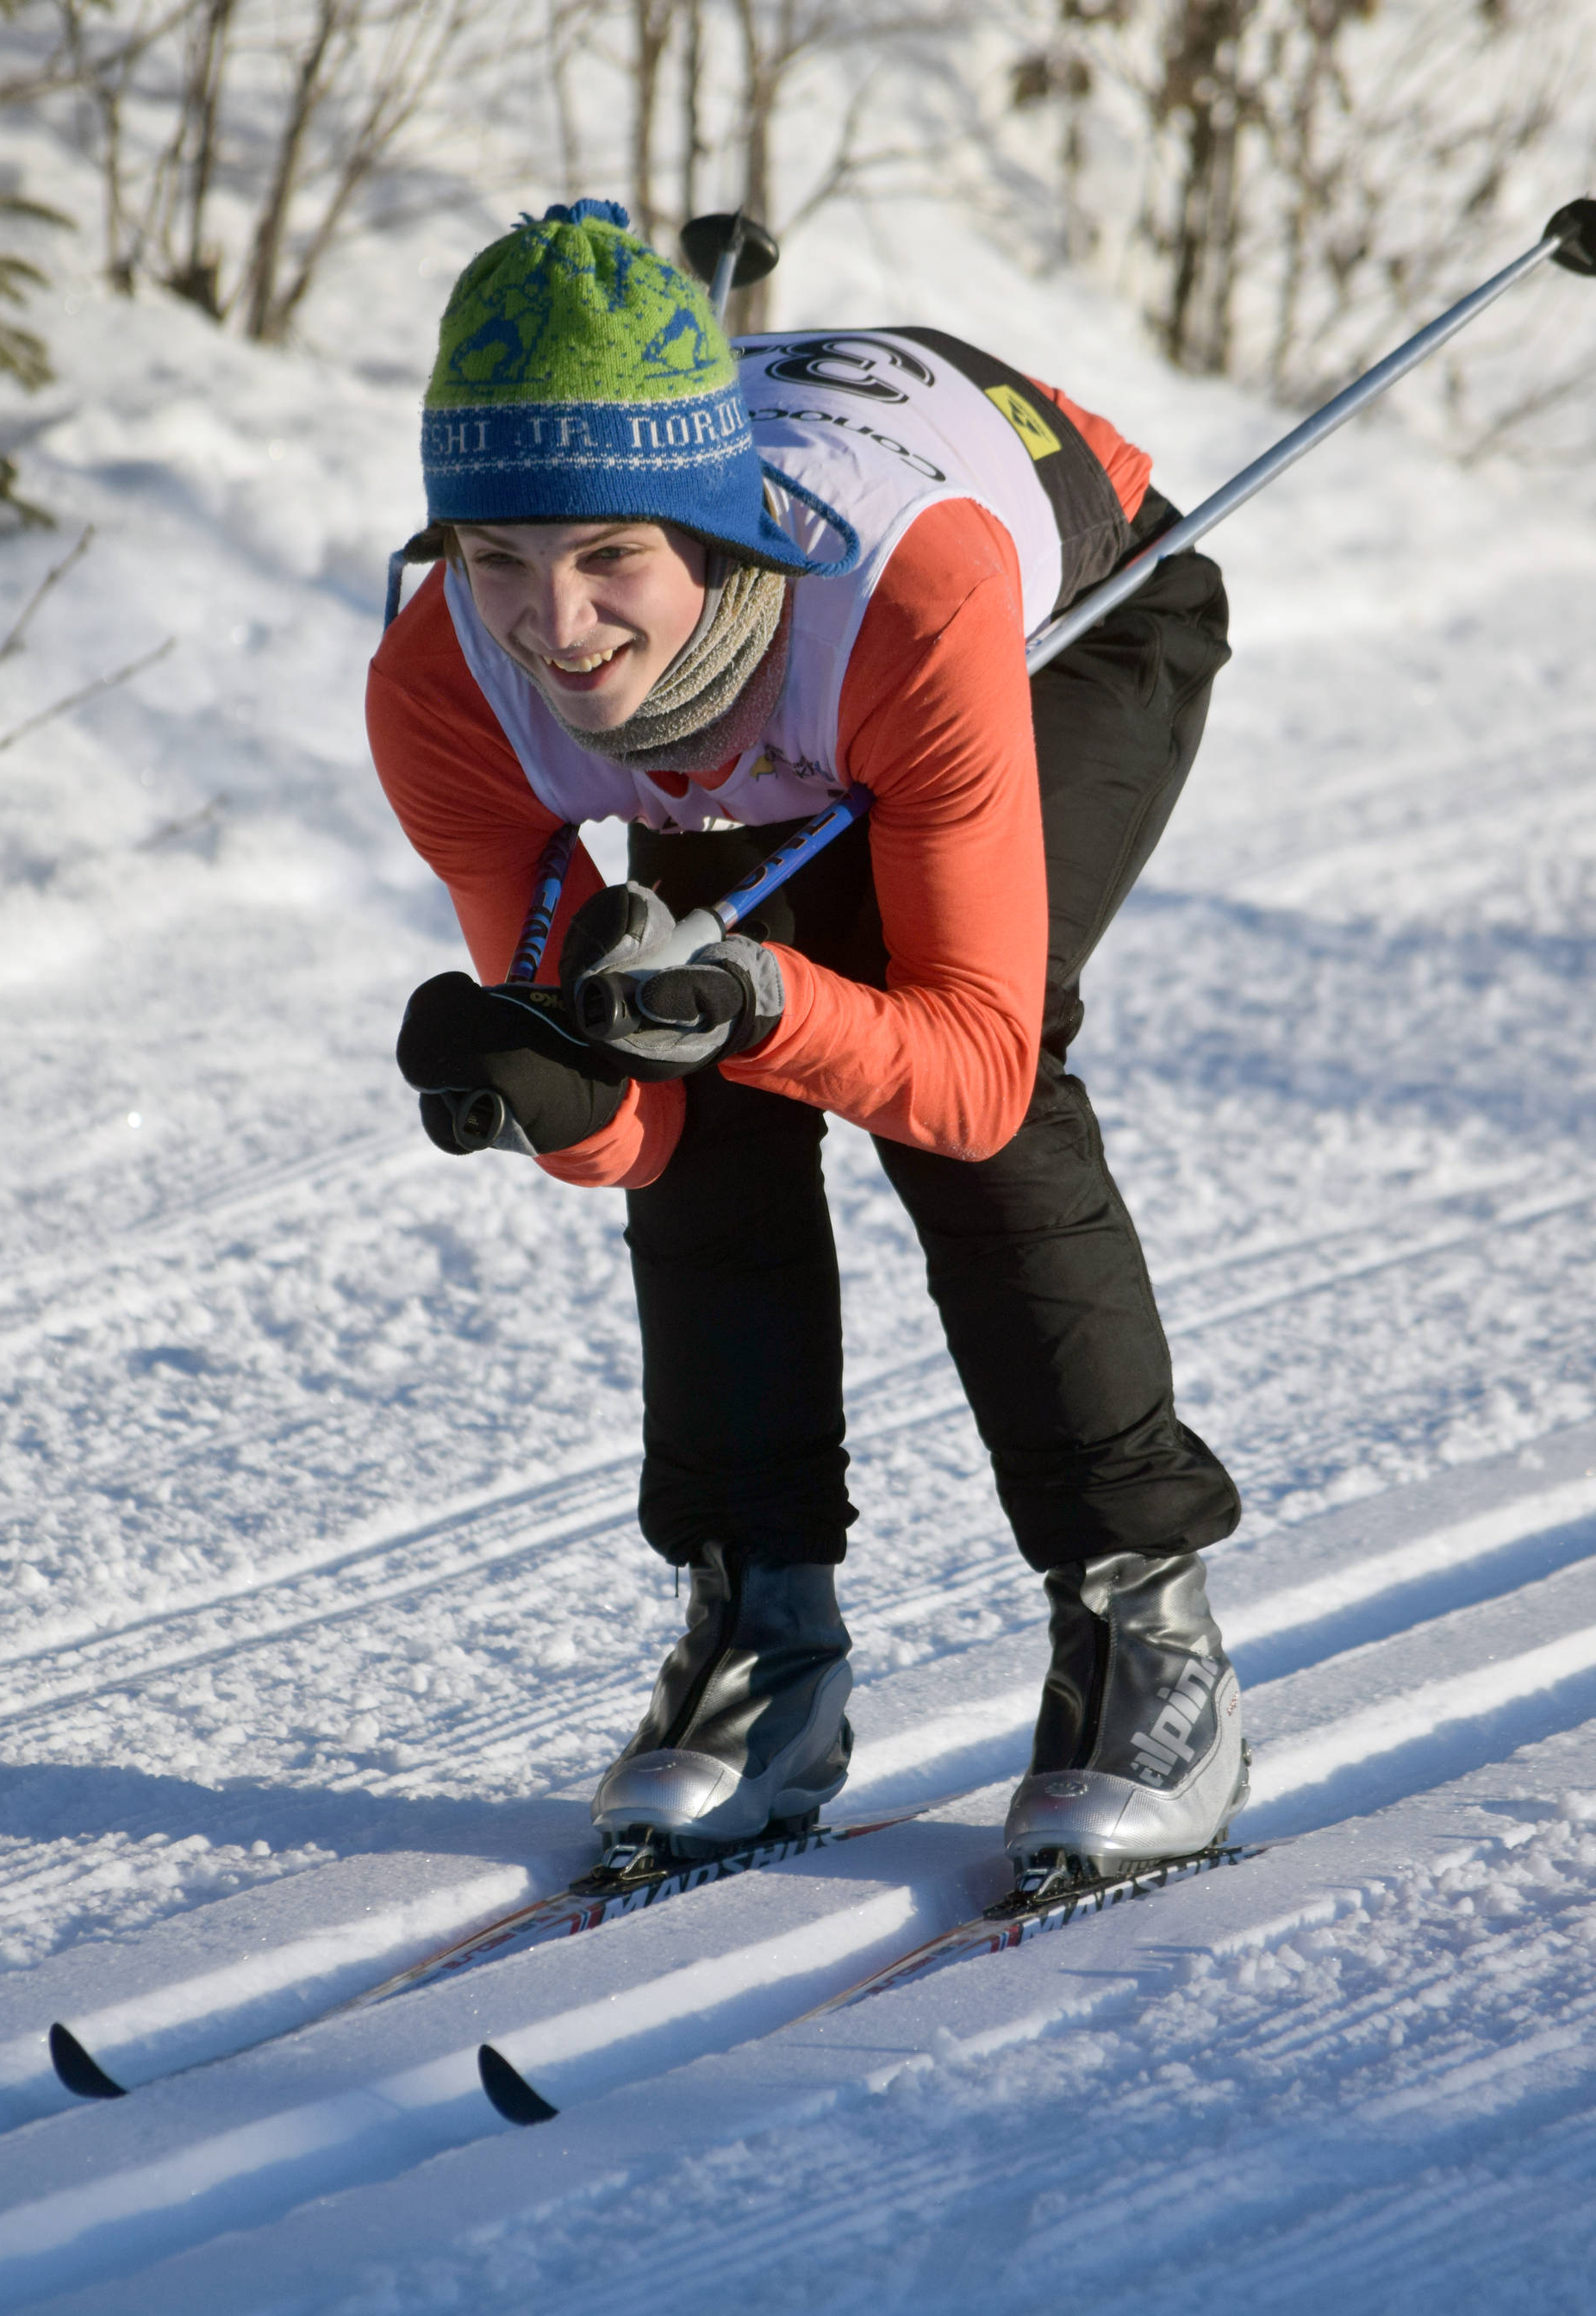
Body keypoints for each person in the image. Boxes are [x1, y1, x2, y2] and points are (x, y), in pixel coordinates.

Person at [367, 198, 1248, 1874]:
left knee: (952, 1091)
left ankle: (1146, 1627)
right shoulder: (444, 694)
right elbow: (639, 1135)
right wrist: (559, 1089)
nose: (555, 628)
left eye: (607, 557)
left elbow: (970, 1068)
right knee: (694, 1070)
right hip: (750, 695)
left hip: (1067, 624)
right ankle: (762, 1626)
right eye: (498, 562)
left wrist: (760, 998)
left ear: (703, 535)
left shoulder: (901, 604)